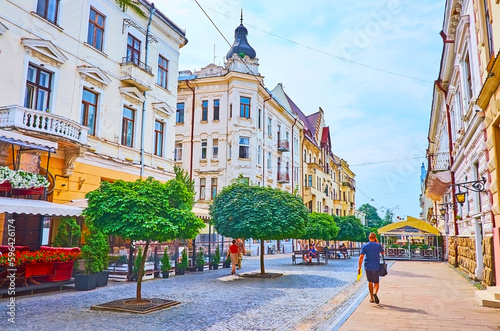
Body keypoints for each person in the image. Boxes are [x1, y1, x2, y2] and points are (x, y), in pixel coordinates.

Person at [358, 233, 384, 304]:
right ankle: (375, 292)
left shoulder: (365, 246)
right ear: (375, 237)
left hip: (368, 266)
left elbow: (361, 257)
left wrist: (359, 267)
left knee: (370, 281)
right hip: (376, 267)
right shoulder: (378, 245)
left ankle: (372, 298)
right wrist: (378, 245)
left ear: (369, 238)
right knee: (376, 282)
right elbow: (383, 253)